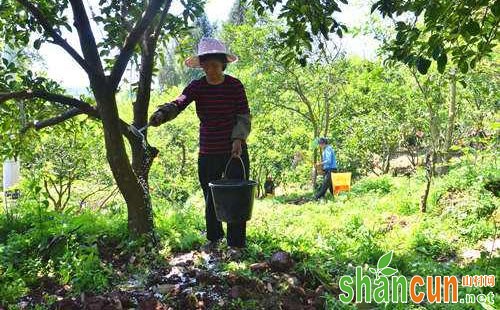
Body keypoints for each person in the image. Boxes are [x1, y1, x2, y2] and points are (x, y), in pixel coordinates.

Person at [149, 38, 251, 254]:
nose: (211, 69)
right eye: (206, 65)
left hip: (235, 149)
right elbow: (180, 102)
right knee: (210, 195)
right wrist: (162, 114)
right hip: (208, 149)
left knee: (237, 195)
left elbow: (243, 115)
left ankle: (236, 244)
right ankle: (214, 239)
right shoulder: (196, 86)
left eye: (215, 65)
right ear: (201, 66)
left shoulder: (235, 85)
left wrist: (238, 139)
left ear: (223, 65)